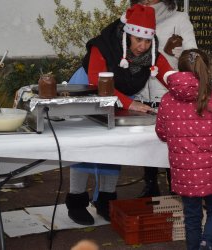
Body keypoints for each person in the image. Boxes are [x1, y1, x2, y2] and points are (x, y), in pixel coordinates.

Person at [66, 4, 174, 226]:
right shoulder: (102, 46)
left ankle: (105, 200)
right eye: (138, 41)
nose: (143, 47)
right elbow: (97, 82)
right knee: (84, 148)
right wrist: (129, 103)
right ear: (127, 36)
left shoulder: (150, 50)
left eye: (146, 41)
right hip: (88, 91)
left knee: (113, 147)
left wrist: (190, 89)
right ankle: (76, 201)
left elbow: (169, 75)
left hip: (117, 96)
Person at [155, 49, 212, 250]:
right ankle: (207, 243)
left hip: (183, 171)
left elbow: (161, 133)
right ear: (207, 68)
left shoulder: (167, 100)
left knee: (192, 215)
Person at [131, 0, 198, 198]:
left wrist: (176, 55)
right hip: (140, 91)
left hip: (169, 92)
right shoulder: (131, 19)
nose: (148, 1)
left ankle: (176, 187)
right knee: (146, 143)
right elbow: (130, 52)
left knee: (173, 143)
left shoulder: (179, 18)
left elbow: (193, 54)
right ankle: (150, 184)